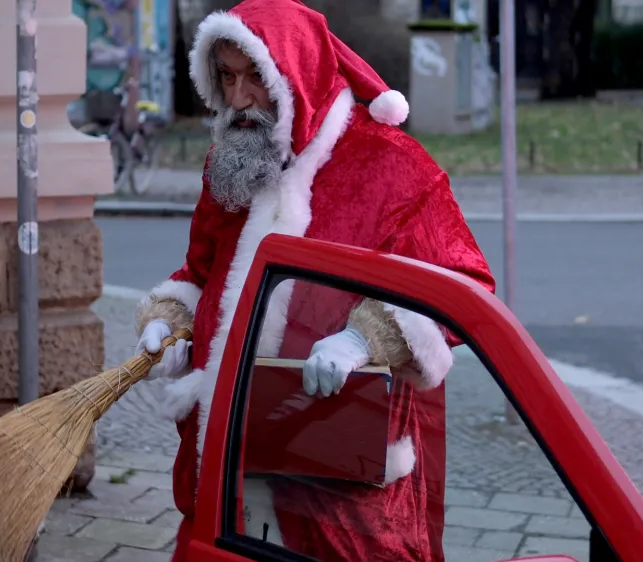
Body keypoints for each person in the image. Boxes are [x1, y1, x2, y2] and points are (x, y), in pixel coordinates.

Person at [133, 0, 496, 560]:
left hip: (340, 479)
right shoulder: (232, 163)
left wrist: (365, 340)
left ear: (297, 73)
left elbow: (463, 283)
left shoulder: (391, 164)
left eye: (256, 76)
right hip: (231, 459)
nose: (238, 98)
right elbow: (202, 275)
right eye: (226, 77)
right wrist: (171, 320)